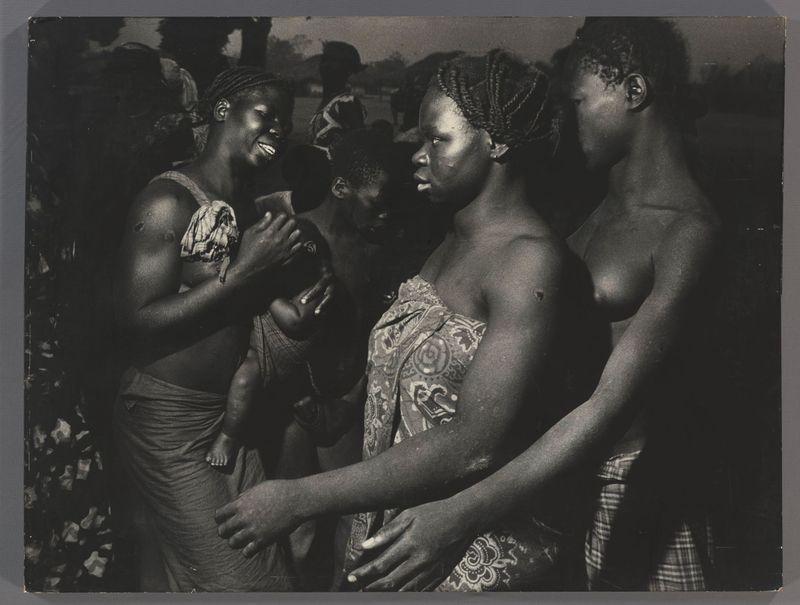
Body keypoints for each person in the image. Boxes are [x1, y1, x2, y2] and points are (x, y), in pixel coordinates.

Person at [345, 17, 721, 592]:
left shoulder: (688, 232)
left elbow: (605, 408)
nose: (568, 117)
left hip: (638, 498)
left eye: (579, 101)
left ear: (634, 91)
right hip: (551, 484)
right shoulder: (593, 206)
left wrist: (461, 513)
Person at [215, 49, 586, 591]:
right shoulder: (452, 239)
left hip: (460, 552)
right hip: (394, 531)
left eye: (437, 140)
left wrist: (299, 497)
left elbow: (475, 441)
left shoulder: (529, 261)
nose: (417, 155)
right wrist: (347, 407)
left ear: (498, 144)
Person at [112, 66, 333, 591]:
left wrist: (288, 307)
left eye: (285, 124)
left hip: (227, 419)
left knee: (244, 571)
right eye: (265, 115)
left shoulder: (242, 204)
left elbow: (239, 304)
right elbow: (135, 323)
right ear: (221, 110)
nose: (278, 130)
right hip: (170, 419)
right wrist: (248, 272)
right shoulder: (169, 201)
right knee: (251, 584)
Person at [309, 41, 368, 151]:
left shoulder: (346, 103)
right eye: (324, 60)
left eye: (333, 61)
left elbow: (361, 146)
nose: (326, 65)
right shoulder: (329, 101)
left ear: (348, 70)